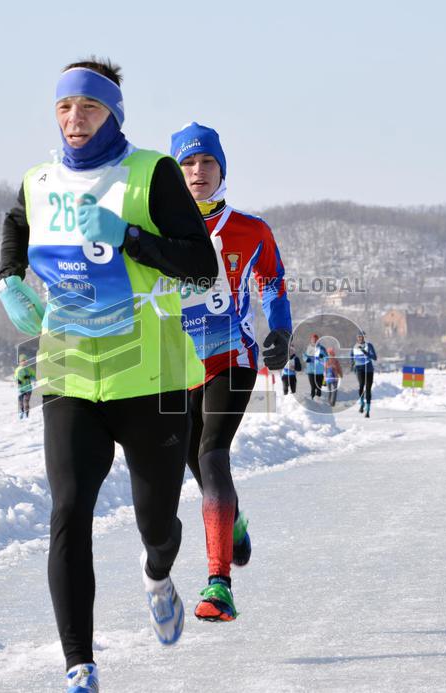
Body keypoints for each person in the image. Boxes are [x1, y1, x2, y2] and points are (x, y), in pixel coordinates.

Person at [0, 58, 218, 692]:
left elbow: (200, 266)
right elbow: (17, 224)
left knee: (157, 525)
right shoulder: (38, 181)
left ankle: (156, 575)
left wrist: (129, 238)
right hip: (69, 369)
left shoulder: (151, 174)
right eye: (64, 108)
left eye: (88, 108)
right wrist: (8, 277)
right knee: (69, 509)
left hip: (149, 373)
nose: (74, 119)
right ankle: (79, 666)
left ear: (113, 114)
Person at [172, 122, 292, 622]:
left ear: (222, 169)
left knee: (212, 453)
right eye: (188, 164)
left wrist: (280, 334)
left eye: (207, 163)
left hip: (233, 358)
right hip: (174, 363)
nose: (198, 172)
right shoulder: (161, 230)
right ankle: (233, 520)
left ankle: (218, 583)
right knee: (192, 462)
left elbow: (273, 287)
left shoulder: (251, 230)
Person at [350, 331, 377, 417]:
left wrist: (366, 353)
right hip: (359, 369)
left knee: (368, 389)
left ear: (364, 337)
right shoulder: (354, 347)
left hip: (369, 369)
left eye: (361, 337)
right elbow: (351, 357)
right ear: (357, 338)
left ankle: (368, 410)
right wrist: (352, 364)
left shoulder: (369, 346)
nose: (360, 338)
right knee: (361, 386)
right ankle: (362, 404)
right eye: (358, 337)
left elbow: (375, 357)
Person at [304, 333, 327, 399]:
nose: (314, 340)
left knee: (318, 387)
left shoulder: (322, 348)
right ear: (311, 340)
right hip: (310, 370)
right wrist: (306, 359)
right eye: (313, 339)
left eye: (316, 339)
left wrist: (322, 356)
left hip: (319, 371)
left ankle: (319, 402)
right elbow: (304, 355)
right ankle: (313, 402)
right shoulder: (308, 348)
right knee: (313, 387)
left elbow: (326, 357)